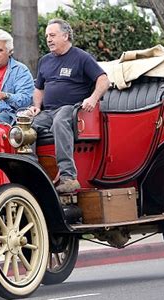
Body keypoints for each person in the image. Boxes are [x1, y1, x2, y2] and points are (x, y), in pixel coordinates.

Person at [28, 19, 110, 193]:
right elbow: (38, 88)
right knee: (24, 128)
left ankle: (69, 178)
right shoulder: (44, 61)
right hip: (48, 111)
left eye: (52, 35)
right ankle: (32, 174)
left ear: (65, 36)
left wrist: (93, 99)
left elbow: (104, 80)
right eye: (46, 36)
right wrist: (36, 106)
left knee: (59, 121)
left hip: (73, 109)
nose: (48, 39)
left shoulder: (81, 57)